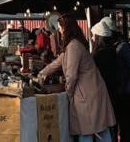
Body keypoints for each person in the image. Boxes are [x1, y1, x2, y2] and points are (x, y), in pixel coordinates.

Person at [38, 14, 116, 142]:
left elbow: (71, 75)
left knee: (87, 132)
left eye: (61, 28)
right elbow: (58, 62)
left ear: (67, 28)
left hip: (87, 94)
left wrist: (69, 93)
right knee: (99, 130)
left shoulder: (73, 46)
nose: (59, 31)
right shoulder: (74, 44)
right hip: (90, 92)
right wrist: (42, 73)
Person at [100, 16, 130, 142]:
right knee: (114, 129)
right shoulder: (110, 48)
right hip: (115, 94)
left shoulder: (124, 47)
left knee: (125, 129)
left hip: (124, 95)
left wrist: (128, 90)